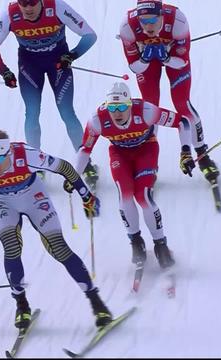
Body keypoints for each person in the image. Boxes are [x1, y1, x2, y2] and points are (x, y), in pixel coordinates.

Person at [0, 129, 112, 330]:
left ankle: (96, 302)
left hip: (33, 196)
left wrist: (86, 196)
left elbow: (64, 167)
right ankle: (21, 305)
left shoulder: (26, 155)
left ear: (8, 153)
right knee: (11, 247)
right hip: (2, 201)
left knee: (59, 248)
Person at [70, 82, 196, 269]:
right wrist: (73, 176)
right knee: (125, 196)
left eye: (122, 107)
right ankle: (136, 242)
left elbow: (182, 122)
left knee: (143, 196)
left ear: (130, 104)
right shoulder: (97, 119)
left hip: (146, 150)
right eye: (113, 108)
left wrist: (185, 152)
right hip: (120, 154)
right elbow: (85, 149)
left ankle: (160, 244)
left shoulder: (145, 111)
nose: (118, 113)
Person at [0, 0, 99, 187]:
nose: (28, 8)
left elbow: (90, 35)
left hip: (58, 64)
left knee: (67, 112)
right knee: (32, 112)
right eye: (24, 3)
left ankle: (85, 163)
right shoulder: (10, 13)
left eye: (32, 3)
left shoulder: (56, 7)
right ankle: (35, 164)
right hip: (30, 67)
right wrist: (4, 71)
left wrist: (72, 55)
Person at [118, 0, 220, 184]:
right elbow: (135, 67)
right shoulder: (127, 26)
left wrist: (165, 56)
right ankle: (147, 164)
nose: (148, 26)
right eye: (143, 21)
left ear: (162, 16)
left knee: (182, 104)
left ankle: (203, 156)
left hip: (173, 57)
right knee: (150, 106)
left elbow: (182, 61)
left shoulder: (177, 20)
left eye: (152, 21)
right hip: (146, 61)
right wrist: (146, 58)